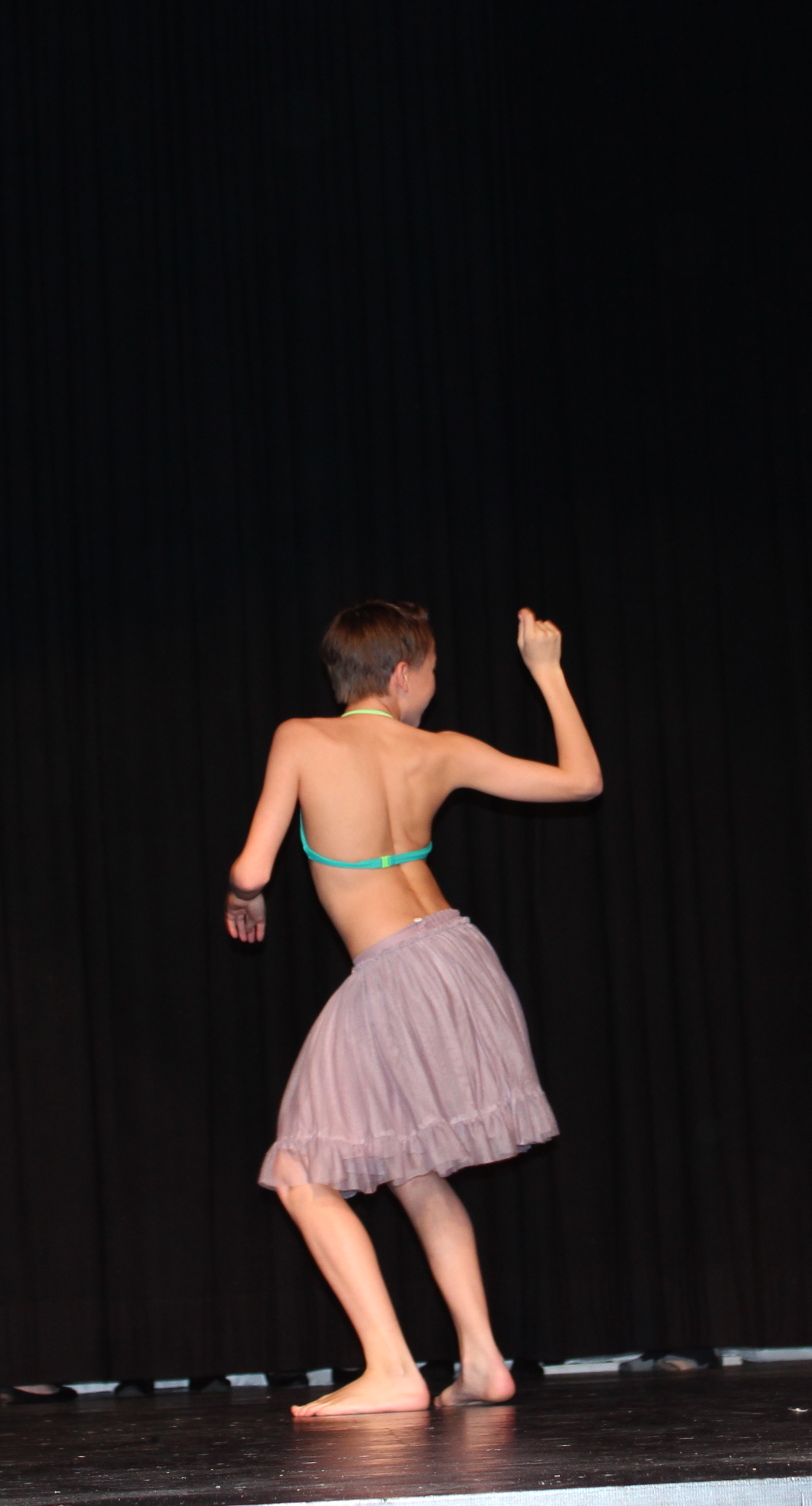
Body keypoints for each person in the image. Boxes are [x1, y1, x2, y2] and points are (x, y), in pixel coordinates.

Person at [225, 601, 601, 1417]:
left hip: (396, 968)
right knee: (415, 1170)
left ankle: (393, 1369)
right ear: (400, 676)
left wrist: (243, 896)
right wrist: (547, 672)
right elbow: (582, 781)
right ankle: (482, 1362)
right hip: (459, 958)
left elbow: (253, 868)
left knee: (300, 1173)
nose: (434, 686)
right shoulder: (440, 751)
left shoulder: (301, 738)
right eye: (431, 672)